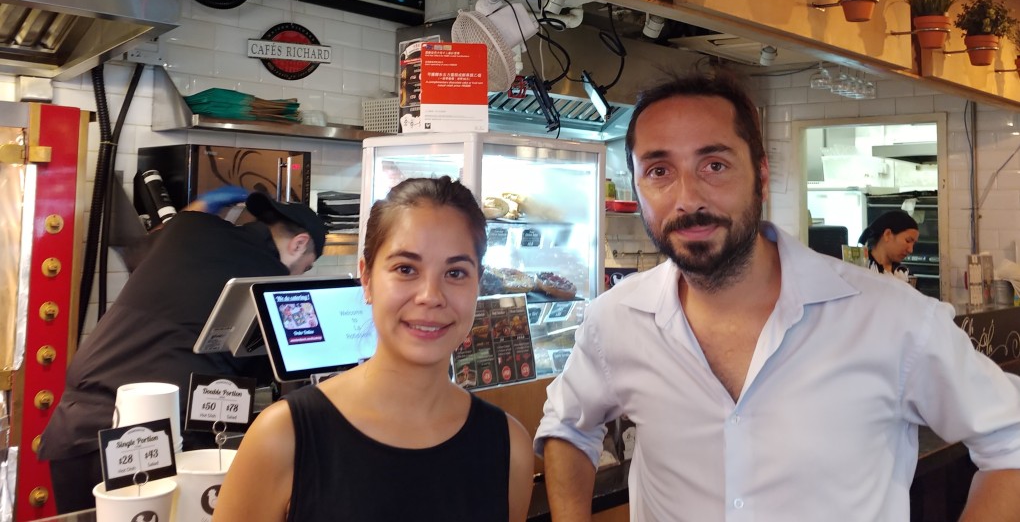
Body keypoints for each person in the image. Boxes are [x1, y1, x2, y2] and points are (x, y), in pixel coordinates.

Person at [535, 72, 1020, 521]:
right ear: (638, 188)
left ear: (762, 176)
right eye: (659, 171)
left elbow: (1010, 445)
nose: (687, 197)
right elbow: (567, 428)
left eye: (715, 164)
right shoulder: (616, 320)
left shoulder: (893, 318)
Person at [213, 176, 534, 522]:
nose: (430, 295)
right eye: (406, 269)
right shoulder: (283, 437)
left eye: (455, 273)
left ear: (478, 285)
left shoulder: (508, 447)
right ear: (366, 279)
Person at [39, 187, 327, 514]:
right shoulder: (271, 282)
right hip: (155, 440)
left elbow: (188, 218)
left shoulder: (186, 229)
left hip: (73, 426)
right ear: (299, 243)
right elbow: (281, 373)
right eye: (306, 266)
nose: (301, 274)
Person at [858, 209, 919, 281]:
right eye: (908, 241)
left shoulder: (904, 274)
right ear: (887, 235)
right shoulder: (859, 268)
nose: (910, 250)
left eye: (913, 244)